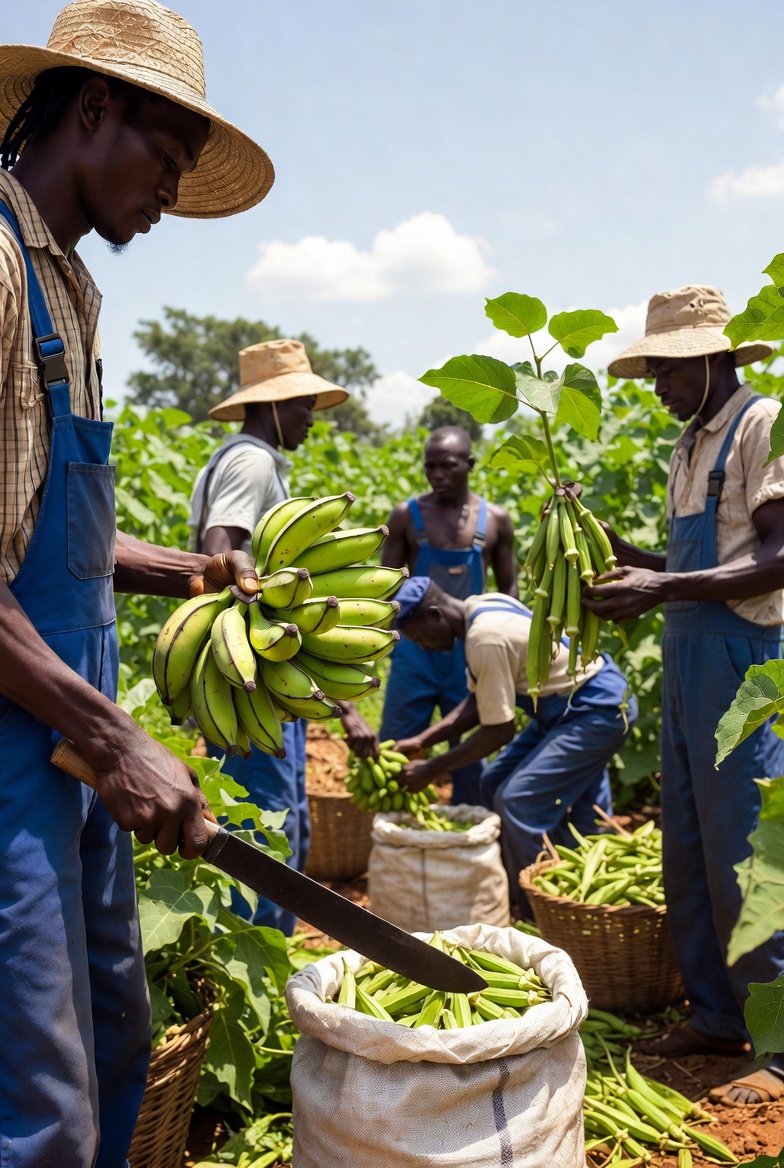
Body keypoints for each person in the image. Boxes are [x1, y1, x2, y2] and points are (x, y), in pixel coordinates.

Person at [0, 2, 275, 1164]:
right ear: (93, 109)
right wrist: (117, 739)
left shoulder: (73, 289)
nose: (168, 199)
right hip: (23, 746)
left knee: (118, 1028)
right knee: (43, 1100)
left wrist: (194, 568)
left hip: (65, 719)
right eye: (164, 164)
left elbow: (41, 535)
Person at [585, 284, 784, 1105]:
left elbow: (777, 557)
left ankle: (776, 1042)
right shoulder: (687, 444)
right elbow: (680, 568)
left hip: (743, 661)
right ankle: (714, 1014)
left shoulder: (762, 422)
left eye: (666, 369)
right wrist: (620, 553)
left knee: (748, 852)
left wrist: (660, 592)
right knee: (691, 851)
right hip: (686, 657)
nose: (655, 385)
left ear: (710, 359)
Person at [190, 337, 377, 933]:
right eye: (303, 408)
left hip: (251, 664)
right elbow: (219, 549)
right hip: (251, 670)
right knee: (265, 823)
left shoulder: (234, 457)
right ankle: (261, 950)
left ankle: (261, 945)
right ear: (272, 406)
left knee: (269, 814)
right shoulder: (253, 461)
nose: (310, 422)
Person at [391, 576, 637, 914]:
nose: (424, 647)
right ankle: (528, 881)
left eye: (420, 637)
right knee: (491, 782)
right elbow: (480, 702)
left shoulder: (484, 639)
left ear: (436, 615)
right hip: (563, 707)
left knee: (518, 802)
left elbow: (498, 731)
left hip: (595, 708)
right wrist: (424, 740)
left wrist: (433, 767)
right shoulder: (481, 606)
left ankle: (543, 909)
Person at [379, 425, 518, 804]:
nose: (437, 475)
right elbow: (384, 590)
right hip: (415, 653)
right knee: (395, 745)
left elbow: (509, 589)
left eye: (447, 466)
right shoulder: (406, 516)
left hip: (472, 650)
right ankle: (395, 830)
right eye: (430, 467)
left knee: (474, 750)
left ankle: (468, 830)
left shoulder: (496, 520)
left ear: (470, 464)